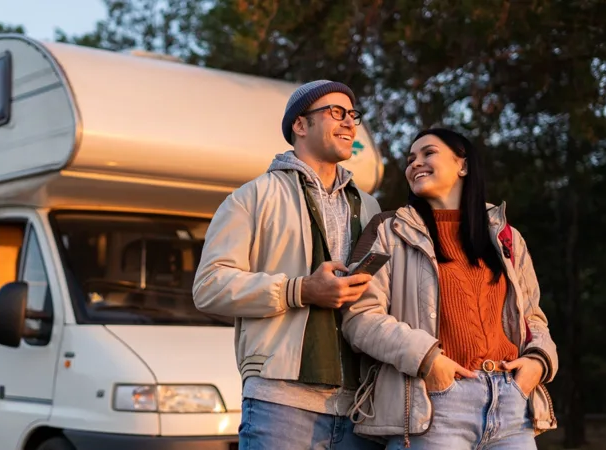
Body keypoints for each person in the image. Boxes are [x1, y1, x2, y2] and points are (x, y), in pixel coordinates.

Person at [193, 80, 383, 449]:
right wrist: (299, 290)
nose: (349, 123)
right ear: (300, 125)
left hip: (362, 407)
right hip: (280, 404)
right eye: (336, 113)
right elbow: (209, 286)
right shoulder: (252, 197)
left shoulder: (371, 207)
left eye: (353, 115)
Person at [341, 128, 558, 449]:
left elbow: (532, 317)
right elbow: (358, 317)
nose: (415, 163)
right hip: (432, 404)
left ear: (463, 165)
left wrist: (538, 362)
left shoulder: (505, 236)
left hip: (512, 405)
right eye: (410, 159)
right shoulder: (390, 230)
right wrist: (428, 360)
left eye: (428, 153)